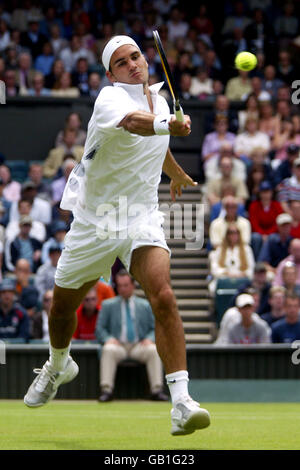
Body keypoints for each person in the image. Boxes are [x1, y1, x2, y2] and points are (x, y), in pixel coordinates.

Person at [23, 35, 210, 435]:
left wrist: (173, 168)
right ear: (111, 73)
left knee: (163, 295)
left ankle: (181, 402)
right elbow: (134, 124)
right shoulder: (109, 100)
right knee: (60, 310)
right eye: (122, 62)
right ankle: (59, 365)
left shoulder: (159, 101)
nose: (133, 65)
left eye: (136, 56)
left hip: (140, 216)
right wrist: (167, 125)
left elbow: (156, 141)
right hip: (94, 221)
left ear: (145, 59)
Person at [96, 270, 168, 402]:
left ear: (133, 285)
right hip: (118, 346)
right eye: (119, 286)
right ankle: (106, 390)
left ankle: (156, 390)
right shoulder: (107, 305)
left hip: (139, 345)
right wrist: (108, 339)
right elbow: (100, 329)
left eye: (125, 285)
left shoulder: (145, 305)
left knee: (153, 350)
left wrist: (149, 338)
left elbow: (155, 328)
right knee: (108, 349)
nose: (122, 289)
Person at [208, 223, 255, 294]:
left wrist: (241, 274)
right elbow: (214, 268)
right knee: (213, 287)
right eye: (231, 233)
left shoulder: (246, 249)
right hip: (225, 278)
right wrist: (226, 273)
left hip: (241, 279)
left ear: (239, 234)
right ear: (227, 235)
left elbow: (251, 268)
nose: (233, 235)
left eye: (236, 233)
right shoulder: (220, 250)